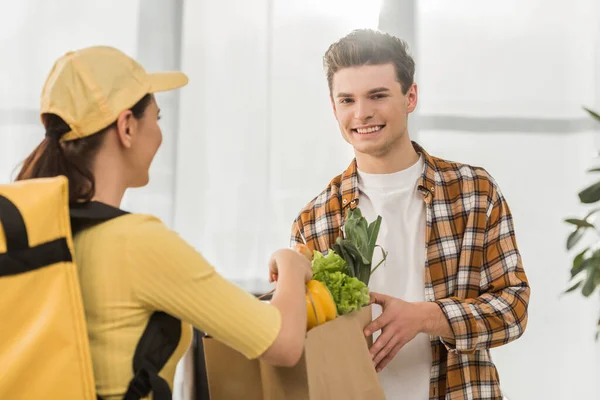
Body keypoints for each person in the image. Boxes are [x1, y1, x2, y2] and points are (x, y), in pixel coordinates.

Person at [16, 46, 311, 399]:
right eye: (157, 118)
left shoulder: (31, 233)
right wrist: (292, 265)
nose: (159, 133)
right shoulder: (136, 243)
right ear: (126, 127)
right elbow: (284, 344)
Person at [290, 29, 530, 400]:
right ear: (333, 107)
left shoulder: (473, 192)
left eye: (378, 95)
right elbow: (300, 340)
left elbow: (514, 308)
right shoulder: (314, 219)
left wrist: (427, 317)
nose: (362, 113)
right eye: (347, 99)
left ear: (410, 96)